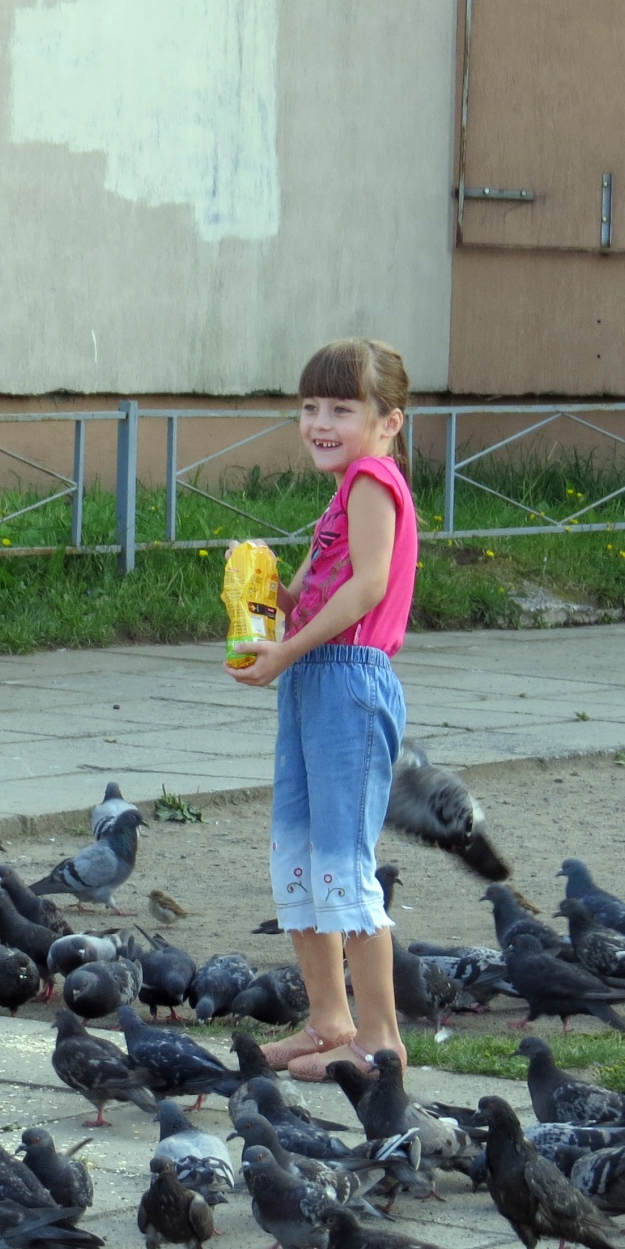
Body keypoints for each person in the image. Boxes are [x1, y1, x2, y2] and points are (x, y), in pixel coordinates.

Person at [225, 339, 418, 1082]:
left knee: (343, 863)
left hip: (349, 682)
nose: (320, 422)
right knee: (302, 859)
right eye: (310, 407)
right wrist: (258, 587)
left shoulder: (372, 480)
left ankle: (380, 1040)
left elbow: (368, 587)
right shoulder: (342, 494)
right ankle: (329, 1023)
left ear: (388, 422)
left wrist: (287, 649)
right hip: (314, 678)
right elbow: (305, 596)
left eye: (342, 408)